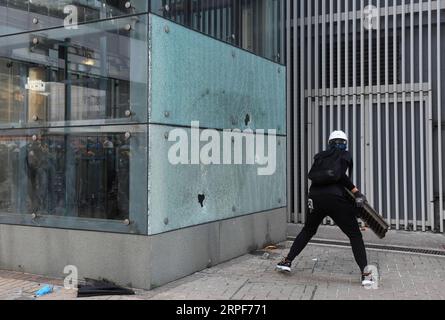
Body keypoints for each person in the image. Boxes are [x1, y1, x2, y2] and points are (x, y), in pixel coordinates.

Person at [276, 130, 372, 286]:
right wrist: (357, 193)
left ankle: (287, 261)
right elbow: (341, 176)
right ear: (345, 143)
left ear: (329, 143)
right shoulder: (344, 155)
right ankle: (366, 274)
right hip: (335, 199)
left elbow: (332, 176)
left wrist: (354, 191)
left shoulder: (320, 156)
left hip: (315, 197)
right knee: (355, 235)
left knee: (308, 230)